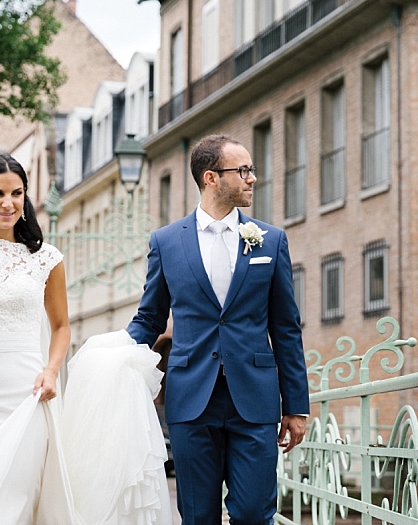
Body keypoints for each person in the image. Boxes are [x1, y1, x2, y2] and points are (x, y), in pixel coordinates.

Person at [0, 153, 170, 525]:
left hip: (25, 392)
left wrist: (51, 370)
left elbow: (61, 327)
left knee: (15, 504)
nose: (8, 203)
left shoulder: (46, 259)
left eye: (17, 193)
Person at [127, 134, 310, 525]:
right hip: (192, 399)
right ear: (211, 178)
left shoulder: (271, 241)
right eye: (242, 170)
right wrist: (116, 355)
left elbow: (286, 327)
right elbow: (150, 317)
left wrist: (295, 405)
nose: (252, 178)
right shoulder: (166, 242)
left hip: (255, 399)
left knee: (253, 513)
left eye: (251, 169)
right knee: (197, 515)